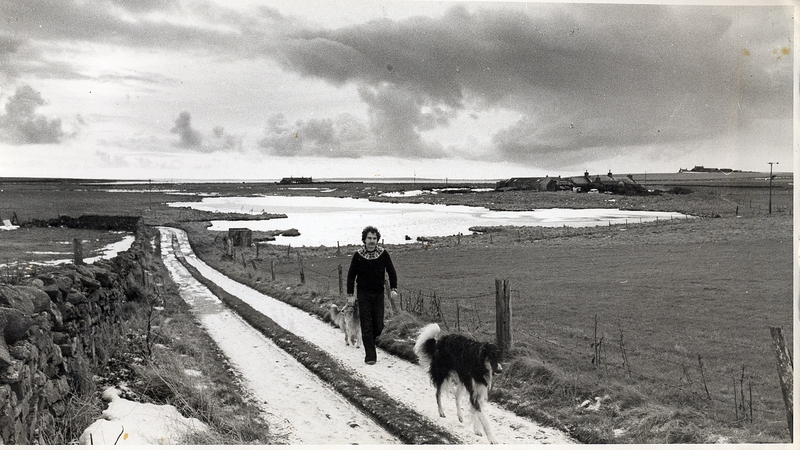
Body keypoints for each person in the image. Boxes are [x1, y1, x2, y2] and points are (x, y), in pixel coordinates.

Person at [347, 226, 398, 365]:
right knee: (366, 324)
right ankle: (370, 356)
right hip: (363, 293)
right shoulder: (358, 255)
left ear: (377, 240)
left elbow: (391, 271)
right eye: (369, 238)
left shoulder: (383, 254)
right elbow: (351, 275)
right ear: (364, 239)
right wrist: (350, 294)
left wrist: (393, 288)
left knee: (378, 325)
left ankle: (371, 341)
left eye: (374, 238)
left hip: (378, 293)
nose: (372, 241)